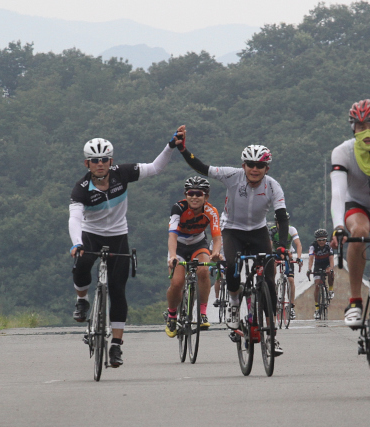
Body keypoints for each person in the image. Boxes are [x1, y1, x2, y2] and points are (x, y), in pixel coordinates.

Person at [70, 129, 185, 367]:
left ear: (110, 161)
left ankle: (115, 345)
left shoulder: (122, 173)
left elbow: (155, 167)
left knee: (118, 290)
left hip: (118, 237)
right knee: (81, 264)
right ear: (87, 163)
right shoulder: (81, 189)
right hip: (91, 235)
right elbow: (75, 219)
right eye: (94, 160)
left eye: (104, 160)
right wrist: (77, 243)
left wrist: (170, 146)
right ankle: (82, 300)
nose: (99, 164)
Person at [176, 125, 288, 356]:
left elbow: (281, 218)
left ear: (267, 167)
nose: (255, 169)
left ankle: (272, 336)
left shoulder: (273, 186)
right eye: (250, 165)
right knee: (231, 267)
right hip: (232, 230)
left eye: (260, 165)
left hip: (258, 232)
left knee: (268, 282)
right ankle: (235, 307)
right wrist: (184, 150)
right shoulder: (232, 176)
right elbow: (202, 168)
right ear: (243, 165)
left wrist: (282, 247)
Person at [330, 99, 370, 326]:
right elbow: (337, 193)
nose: (367, 132)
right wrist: (338, 227)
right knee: (359, 231)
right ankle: (355, 301)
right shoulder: (342, 152)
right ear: (353, 128)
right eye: (360, 127)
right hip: (356, 205)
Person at [165, 176, 222, 336]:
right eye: (191, 193)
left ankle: (202, 313)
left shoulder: (211, 211)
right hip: (179, 246)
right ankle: (172, 315)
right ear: (186, 194)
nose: (195, 197)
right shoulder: (178, 208)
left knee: (203, 271)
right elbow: (172, 235)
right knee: (177, 283)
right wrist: (173, 256)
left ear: (206, 196)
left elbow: (217, 237)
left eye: (199, 194)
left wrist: (216, 252)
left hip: (198, 244)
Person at [269, 213, 303, 319]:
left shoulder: (291, 230)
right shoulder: (272, 231)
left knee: (291, 280)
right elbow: (269, 245)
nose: (281, 224)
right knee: (273, 269)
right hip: (275, 254)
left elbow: (298, 244)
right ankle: (273, 290)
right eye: (279, 222)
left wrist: (298, 257)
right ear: (276, 222)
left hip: (288, 254)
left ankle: (291, 307)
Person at [307, 229, 335, 320]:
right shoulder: (313, 246)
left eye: (323, 239)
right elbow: (311, 258)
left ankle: (330, 290)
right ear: (316, 240)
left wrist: (331, 268)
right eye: (319, 240)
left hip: (326, 264)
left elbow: (331, 259)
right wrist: (309, 269)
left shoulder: (329, 245)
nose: (322, 242)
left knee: (331, 273)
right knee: (317, 285)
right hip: (318, 265)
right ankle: (317, 308)